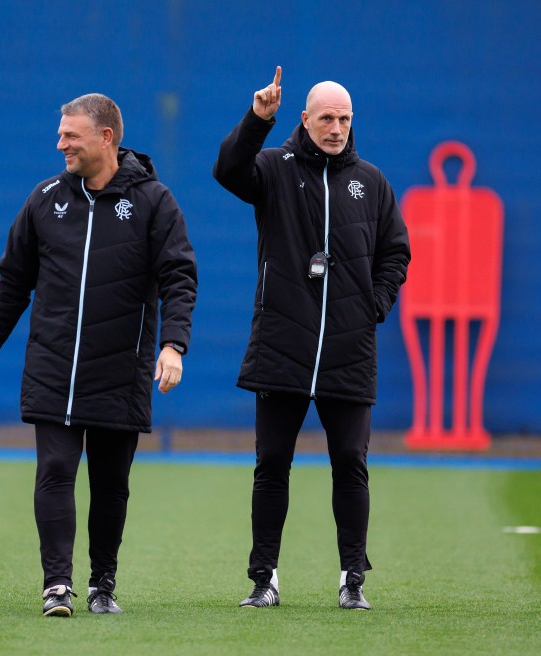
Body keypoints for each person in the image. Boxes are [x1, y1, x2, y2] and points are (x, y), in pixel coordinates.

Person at [0, 94, 197, 617]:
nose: (61, 144)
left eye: (71, 135)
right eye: (61, 134)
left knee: (111, 483)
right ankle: (57, 586)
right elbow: (13, 280)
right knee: (54, 468)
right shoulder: (45, 198)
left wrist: (172, 345)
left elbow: (179, 278)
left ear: (106, 137)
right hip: (53, 367)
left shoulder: (154, 202)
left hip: (122, 367)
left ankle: (103, 584)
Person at [212, 68, 410, 610]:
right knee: (271, 463)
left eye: (345, 119)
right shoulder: (274, 168)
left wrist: (374, 304)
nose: (337, 128)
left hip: (349, 351)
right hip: (283, 345)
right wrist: (258, 119)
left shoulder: (370, 182)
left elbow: (396, 251)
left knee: (351, 462)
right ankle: (264, 579)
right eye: (327, 118)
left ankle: (352, 579)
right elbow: (227, 170)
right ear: (305, 119)